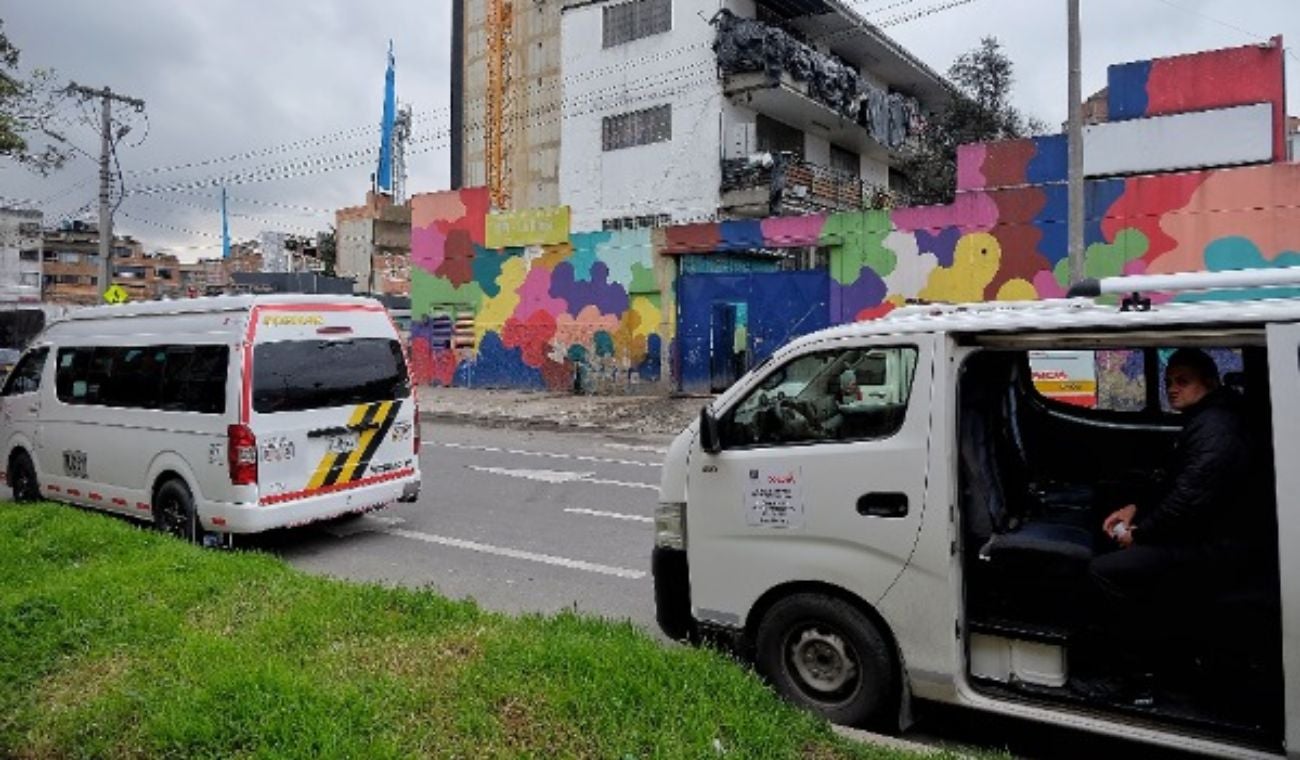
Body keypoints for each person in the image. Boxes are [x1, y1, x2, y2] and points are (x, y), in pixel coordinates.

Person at [1088, 348, 1272, 687]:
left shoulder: (1217, 428)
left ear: (1210, 382)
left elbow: (1188, 500)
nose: (1172, 388)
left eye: (1183, 381)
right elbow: (1175, 483)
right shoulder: (1207, 417)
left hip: (1219, 549)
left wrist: (1139, 532)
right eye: (1169, 381)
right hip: (1208, 535)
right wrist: (1135, 509)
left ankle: (1133, 673)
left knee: (1105, 572)